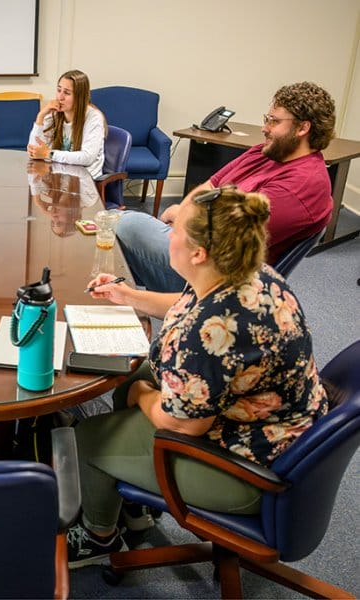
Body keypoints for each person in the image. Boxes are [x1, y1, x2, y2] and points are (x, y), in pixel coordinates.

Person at [65, 187, 328, 568]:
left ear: (198, 252)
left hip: (245, 467)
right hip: (269, 425)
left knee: (86, 441)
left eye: (174, 231)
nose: (167, 233)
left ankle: (98, 536)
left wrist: (141, 394)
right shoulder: (248, 274)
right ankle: (133, 502)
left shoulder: (214, 332)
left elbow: (183, 425)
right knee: (121, 369)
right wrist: (127, 296)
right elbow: (188, 303)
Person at [116, 81, 335, 292]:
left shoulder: (301, 186)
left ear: (303, 128)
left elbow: (225, 241)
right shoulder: (266, 152)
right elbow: (210, 184)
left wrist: (183, 218)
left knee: (122, 224)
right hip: (196, 244)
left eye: (274, 121)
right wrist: (184, 215)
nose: (264, 128)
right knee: (109, 236)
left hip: (214, 276)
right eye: (266, 119)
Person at [27, 69, 106, 181]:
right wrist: (40, 117)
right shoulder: (54, 114)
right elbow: (34, 152)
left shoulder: (94, 118)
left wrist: (49, 154)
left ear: (80, 97)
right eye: (59, 90)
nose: (60, 97)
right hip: (61, 182)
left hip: (86, 184)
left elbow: (87, 157)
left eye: (67, 93)